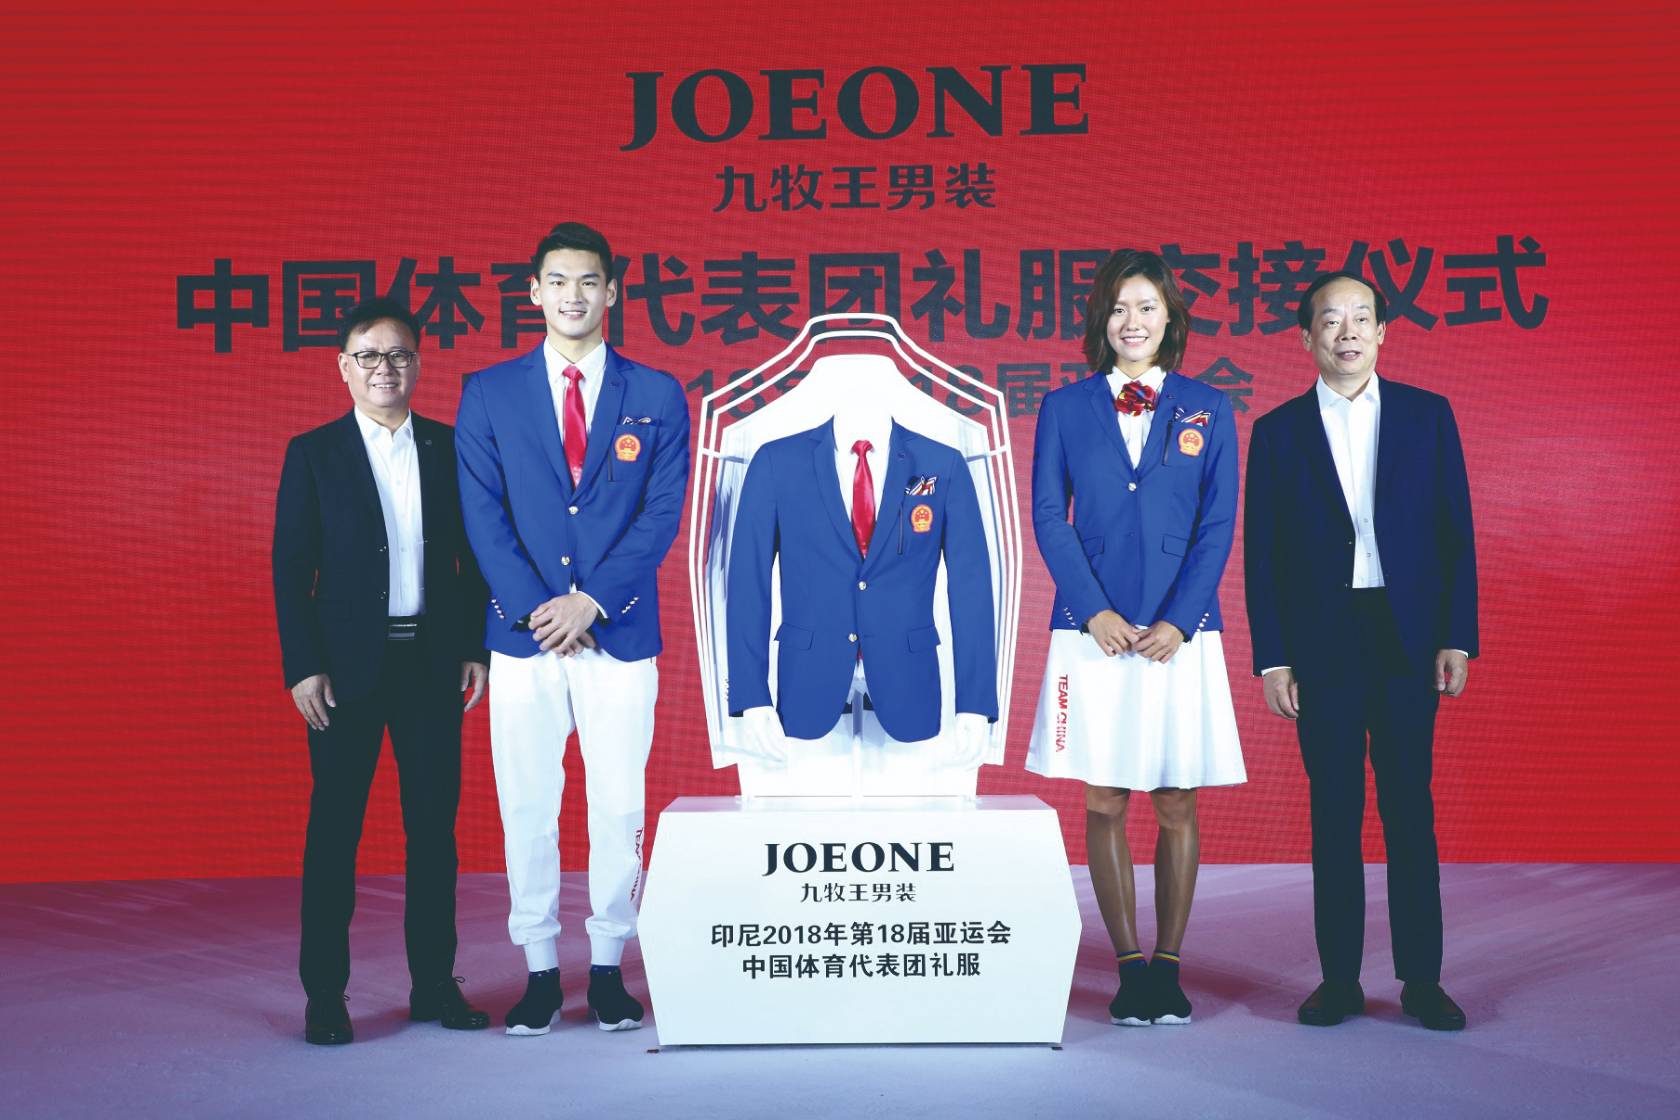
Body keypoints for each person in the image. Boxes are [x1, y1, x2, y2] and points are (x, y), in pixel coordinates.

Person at [455, 222, 690, 1035]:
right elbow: (482, 515)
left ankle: (611, 966)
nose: (573, 295)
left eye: (589, 281)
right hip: (524, 638)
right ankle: (540, 971)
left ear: (612, 291)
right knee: (527, 803)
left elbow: (661, 513)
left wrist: (591, 601)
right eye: (557, 281)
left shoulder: (656, 393)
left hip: (617, 633)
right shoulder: (489, 392)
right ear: (533, 292)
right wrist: (540, 608)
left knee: (618, 803)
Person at [1244, 271, 1477, 1031]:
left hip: (1407, 635)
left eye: (1361, 318)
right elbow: (1262, 556)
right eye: (1330, 320)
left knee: (1411, 809)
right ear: (1306, 337)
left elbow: (1455, 532)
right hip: (1324, 641)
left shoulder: (1426, 415)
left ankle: (1422, 981)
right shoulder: (1278, 432)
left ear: (1382, 332)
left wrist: (1456, 635)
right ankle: (1339, 979)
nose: (1347, 332)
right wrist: (1275, 657)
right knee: (1334, 812)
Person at [1025, 248, 1244, 1027]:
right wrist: (1094, 611)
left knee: (1176, 796)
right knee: (1105, 794)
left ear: (1170, 317)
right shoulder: (1063, 407)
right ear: (1100, 320)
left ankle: (1169, 967)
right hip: (1094, 633)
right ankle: (1127, 969)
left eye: (1147, 306)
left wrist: (1180, 619)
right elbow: (1049, 515)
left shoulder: (1208, 407)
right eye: (1119, 307)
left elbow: (1218, 523)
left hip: (1180, 633)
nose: (1132, 321)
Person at [273, 297, 491, 1046]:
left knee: (433, 832)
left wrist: (474, 647)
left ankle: (433, 984)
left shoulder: (449, 447)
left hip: (431, 663)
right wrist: (304, 667)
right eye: (368, 356)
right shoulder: (314, 453)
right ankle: (324, 995)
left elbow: (474, 559)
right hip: (343, 672)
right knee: (335, 832)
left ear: (418, 364)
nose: (383, 368)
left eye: (398, 355)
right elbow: (290, 568)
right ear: (343, 367)